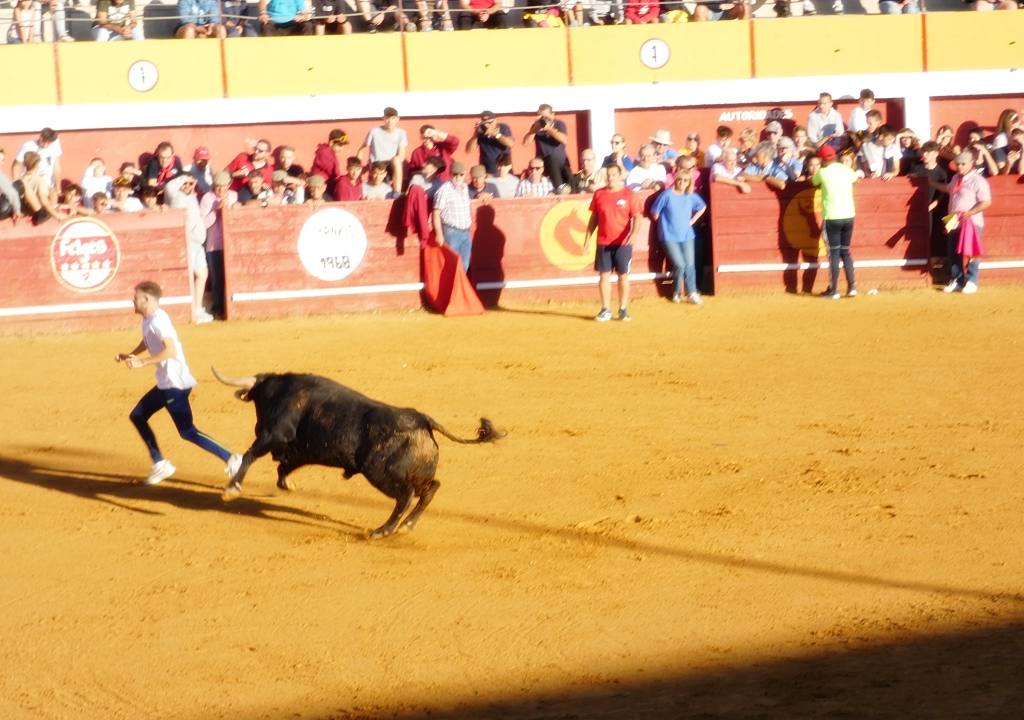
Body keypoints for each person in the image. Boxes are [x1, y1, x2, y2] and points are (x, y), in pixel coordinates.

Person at [116, 281, 242, 486]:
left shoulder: (158, 321)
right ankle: (160, 464)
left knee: (187, 431)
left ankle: (231, 457)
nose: (133, 299)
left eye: (136, 297)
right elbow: (148, 341)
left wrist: (143, 362)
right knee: (138, 415)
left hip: (175, 383)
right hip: (166, 383)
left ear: (146, 299)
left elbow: (170, 350)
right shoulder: (149, 319)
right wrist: (132, 354)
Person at [584, 163, 643, 322]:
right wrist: (588, 237)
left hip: (623, 242)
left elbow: (637, 216)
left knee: (623, 276)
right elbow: (594, 218)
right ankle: (605, 309)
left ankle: (623, 308)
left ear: (619, 176)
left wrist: (634, 233)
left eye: (614, 175)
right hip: (603, 241)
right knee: (604, 276)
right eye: (608, 175)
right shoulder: (599, 195)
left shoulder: (629, 195)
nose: (611, 178)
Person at [930, 151, 992, 295]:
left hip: (971, 221)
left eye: (963, 164)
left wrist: (970, 212)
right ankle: (956, 280)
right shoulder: (956, 178)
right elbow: (948, 189)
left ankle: (971, 281)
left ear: (971, 164)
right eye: (958, 164)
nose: (960, 167)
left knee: (971, 252)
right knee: (953, 252)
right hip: (954, 220)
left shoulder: (978, 180)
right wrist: (931, 182)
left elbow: (987, 202)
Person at [650, 170, 707, 305]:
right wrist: (664, 224)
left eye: (685, 180)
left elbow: (702, 206)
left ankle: (691, 292)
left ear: (689, 183)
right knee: (680, 264)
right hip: (669, 235)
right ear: (675, 180)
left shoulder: (690, 195)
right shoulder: (667, 195)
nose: (682, 182)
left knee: (689, 264)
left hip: (687, 234)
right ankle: (676, 291)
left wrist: (693, 220)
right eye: (679, 179)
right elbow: (655, 213)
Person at [164, 174, 214, 322]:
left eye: (191, 184)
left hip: (196, 242)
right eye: (186, 184)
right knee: (195, 274)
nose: (189, 186)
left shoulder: (190, 197)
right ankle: (193, 310)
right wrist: (184, 179)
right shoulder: (177, 197)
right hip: (188, 241)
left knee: (202, 273)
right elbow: (169, 186)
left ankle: (197, 308)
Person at [811, 145, 859, 300]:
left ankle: (834, 290)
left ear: (822, 159)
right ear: (836, 156)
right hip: (849, 215)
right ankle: (852, 287)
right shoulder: (846, 170)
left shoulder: (823, 173)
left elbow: (813, 182)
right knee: (845, 251)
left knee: (834, 253)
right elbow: (855, 179)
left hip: (832, 217)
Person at [199, 171, 236, 318]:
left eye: (223, 186)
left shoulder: (234, 196)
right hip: (214, 245)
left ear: (229, 185)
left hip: (232, 245)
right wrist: (216, 211)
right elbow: (203, 223)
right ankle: (218, 309)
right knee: (217, 278)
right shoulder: (207, 198)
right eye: (217, 186)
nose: (220, 189)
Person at [431, 161, 473, 271]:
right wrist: (439, 234)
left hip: (466, 232)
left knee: (465, 265)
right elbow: (436, 212)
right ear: (450, 174)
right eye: (455, 174)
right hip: (451, 232)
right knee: (453, 265)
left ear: (465, 174)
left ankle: (458, 288)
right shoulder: (444, 190)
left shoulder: (465, 188)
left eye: (461, 175)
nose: (458, 177)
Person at [359, 107, 409, 193]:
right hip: (377, 163)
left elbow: (401, 155)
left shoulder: (401, 133)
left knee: (397, 160)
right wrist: (359, 165)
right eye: (387, 118)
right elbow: (362, 148)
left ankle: (397, 193)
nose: (390, 121)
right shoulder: (374, 131)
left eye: (393, 118)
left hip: (391, 164)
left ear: (397, 119)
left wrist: (395, 161)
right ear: (384, 119)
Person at [523, 104, 572, 190]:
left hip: (561, 161)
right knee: (549, 160)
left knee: (568, 178)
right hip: (544, 162)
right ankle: (558, 188)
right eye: (541, 117)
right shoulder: (536, 126)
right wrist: (534, 129)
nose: (544, 119)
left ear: (553, 115)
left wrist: (548, 129)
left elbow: (564, 139)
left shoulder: (559, 124)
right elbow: (525, 143)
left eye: (546, 117)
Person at [466, 111, 515, 175]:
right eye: (484, 123)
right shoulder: (481, 131)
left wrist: (496, 134)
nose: (487, 125)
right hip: (487, 171)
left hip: (504, 170)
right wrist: (476, 135)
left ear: (495, 120)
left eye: (490, 122)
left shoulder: (503, 128)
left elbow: (511, 144)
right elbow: (469, 151)